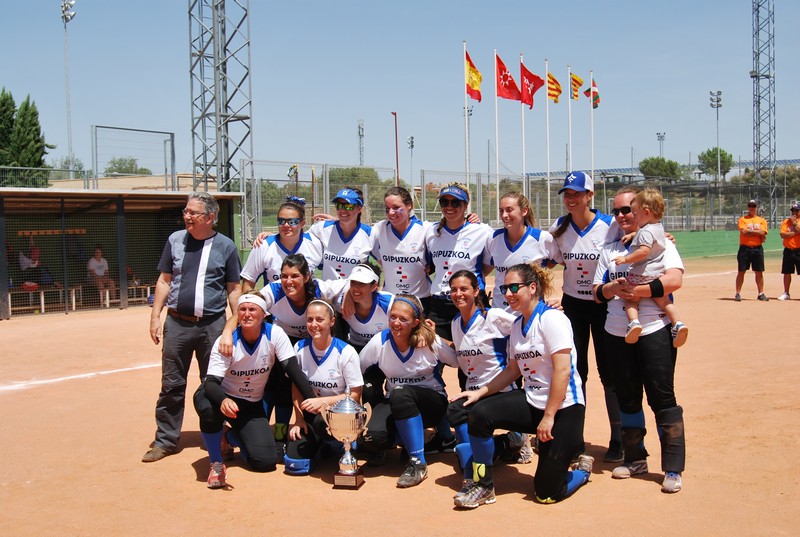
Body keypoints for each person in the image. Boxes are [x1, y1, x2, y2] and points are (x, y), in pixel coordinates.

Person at [450, 263, 593, 508]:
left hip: (564, 408)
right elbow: (512, 370)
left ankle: (582, 471)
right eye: (505, 288)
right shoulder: (517, 325)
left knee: (547, 492)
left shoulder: (552, 319)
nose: (508, 294)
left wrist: (548, 417)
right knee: (479, 413)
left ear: (533, 287)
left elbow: (563, 369)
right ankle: (483, 484)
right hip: (532, 400)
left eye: (514, 287)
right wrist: (480, 393)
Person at [593, 186, 687, 493]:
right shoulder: (609, 251)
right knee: (628, 397)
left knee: (662, 397)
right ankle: (635, 458)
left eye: (627, 210)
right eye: (616, 211)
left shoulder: (660, 242)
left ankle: (672, 467)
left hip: (653, 330)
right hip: (616, 332)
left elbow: (674, 279)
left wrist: (638, 292)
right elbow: (597, 291)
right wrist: (611, 289)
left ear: (642, 210)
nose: (621, 216)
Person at [143, 192, 242, 463]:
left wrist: (234, 324)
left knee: (213, 384)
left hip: (212, 325)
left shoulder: (225, 246)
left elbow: (233, 288)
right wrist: (155, 316)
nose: (187, 216)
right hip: (177, 324)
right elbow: (164, 280)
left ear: (210, 218)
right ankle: (165, 440)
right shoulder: (175, 240)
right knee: (172, 384)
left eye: (193, 213)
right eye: (186, 211)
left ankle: (218, 437)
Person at [221, 253, 349, 456]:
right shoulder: (273, 291)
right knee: (278, 386)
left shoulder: (319, 288)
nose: (288, 281)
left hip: (313, 340)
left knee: (308, 380)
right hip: (284, 341)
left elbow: (351, 285)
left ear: (307, 277)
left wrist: (347, 299)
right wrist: (227, 332)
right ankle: (276, 433)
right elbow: (245, 310)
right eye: (284, 276)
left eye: (295, 276)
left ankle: (324, 424)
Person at [193, 291, 316, 488]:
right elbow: (210, 383)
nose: (247, 314)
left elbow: (293, 371)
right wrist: (223, 400)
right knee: (209, 410)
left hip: (250, 403)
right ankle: (216, 463)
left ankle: (229, 435)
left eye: (252, 310)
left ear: (264, 314)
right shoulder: (227, 341)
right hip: (221, 396)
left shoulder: (274, 334)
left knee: (266, 462)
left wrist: (313, 400)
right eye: (243, 309)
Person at [549, 171, 623, 463]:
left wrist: (661, 235)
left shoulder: (610, 226)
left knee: (610, 374)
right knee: (575, 374)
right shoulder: (560, 226)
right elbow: (548, 258)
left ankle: (618, 437)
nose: (571, 198)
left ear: (590, 196)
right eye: (567, 193)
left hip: (604, 304)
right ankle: (574, 439)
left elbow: (636, 237)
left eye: (576, 193)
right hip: (574, 306)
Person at [358, 293, 459, 487]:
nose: (396, 323)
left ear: (416, 322)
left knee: (401, 392)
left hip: (432, 405)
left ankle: (417, 462)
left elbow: (455, 360)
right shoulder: (380, 341)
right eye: (393, 317)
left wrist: (435, 336)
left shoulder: (429, 341)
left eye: (403, 319)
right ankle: (411, 437)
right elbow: (358, 369)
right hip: (396, 403)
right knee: (372, 439)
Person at [446, 270, 523, 493]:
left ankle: (477, 477)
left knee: (469, 452)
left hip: (500, 390)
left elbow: (525, 323)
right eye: (453, 290)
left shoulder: (493, 317)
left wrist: (549, 311)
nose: (458, 294)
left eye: (463, 289)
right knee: (455, 411)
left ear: (476, 290)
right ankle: (506, 444)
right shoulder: (455, 322)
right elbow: (457, 352)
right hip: (473, 391)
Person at [284, 299, 364, 475]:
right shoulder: (299, 348)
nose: (314, 325)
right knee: (295, 462)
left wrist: (323, 402)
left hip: (340, 417)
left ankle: (342, 444)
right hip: (310, 415)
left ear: (332, 321)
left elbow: (356, 395)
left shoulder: (346, 352)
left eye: (320, 319)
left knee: (322, 422)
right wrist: (298, 419)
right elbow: (296, 386)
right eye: (310, 319)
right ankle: (321, 444)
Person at [611, 189, 688, 348]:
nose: (631, 215)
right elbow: (647, 234)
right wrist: (633, 235)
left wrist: (625, 259)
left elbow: (644, 250)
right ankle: (678, 323)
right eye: (616, 212)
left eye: (633, 212)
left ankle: (634, 322)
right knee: (665, 301)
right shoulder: (659, 228)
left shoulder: (645, 233)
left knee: (630, 298)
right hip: (656, 275)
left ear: (645, 212)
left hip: (642, 274)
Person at [424, 182, 493, 341]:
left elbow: (488, 265)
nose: (449, 206)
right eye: (444, 202)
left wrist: (474, 279)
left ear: (466, 205)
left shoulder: (482, 231)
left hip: (470, 300)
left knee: (471, 357)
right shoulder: (432, 231)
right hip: (440, 303)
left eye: (455, 202)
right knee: (433, 356)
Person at [484, 192, 557, 312]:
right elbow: (486, 267)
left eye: (509, 210)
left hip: (529, 314)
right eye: (501, 211)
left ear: (524, 211)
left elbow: (556, 262)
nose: (504, 215)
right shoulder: (493, 239)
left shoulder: (542, 238)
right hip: (500, 314)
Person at [241, 197, 323, 287]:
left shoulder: (314, 243)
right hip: (275, 300)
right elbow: (248, 282)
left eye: (292, 221)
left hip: (306, 300)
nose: (286, 225)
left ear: (302, 223)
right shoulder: (263, 245)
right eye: (281, 221)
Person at [370, 186, 433, 303]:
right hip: (390, 299)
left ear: (410, 206)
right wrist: (338, 221)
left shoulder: (425, 229)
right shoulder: (380, 228)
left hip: (421, 299)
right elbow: (357, 232)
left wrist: (469, 220)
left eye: (396, 207)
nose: (391, 213)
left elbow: (451, 228)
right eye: (387, 209)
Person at [308, 187, 374, 280]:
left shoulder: (369, 233)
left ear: (359, 208)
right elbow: (301, 242)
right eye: (339, 205)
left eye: (348, 206)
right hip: (328, 293)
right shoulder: (322, 228)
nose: (342, 210)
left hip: (355, 293)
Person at [735, 199, 769, 302]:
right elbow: (744, 231)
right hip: (745, 248)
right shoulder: (742, 219)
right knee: (741, 271)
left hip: (757, 248)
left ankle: (761, 293)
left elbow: (763, 232)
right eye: (750, 206)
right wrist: (757, 232)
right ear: (748, 208)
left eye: (753, 206)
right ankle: (738, 293)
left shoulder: (761, 220)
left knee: (759, 272)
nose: (751, 208)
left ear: (756, 208)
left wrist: (751, 231)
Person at [777, 203, 800, 301]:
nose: (794, 213)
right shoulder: (786, 222)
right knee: (787, 273)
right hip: (788, 250)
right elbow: (782, 234)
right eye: (793, 210)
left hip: (799, 250)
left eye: (796, 210)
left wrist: (795, 224)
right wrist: (795, 232)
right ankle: (786, 293)